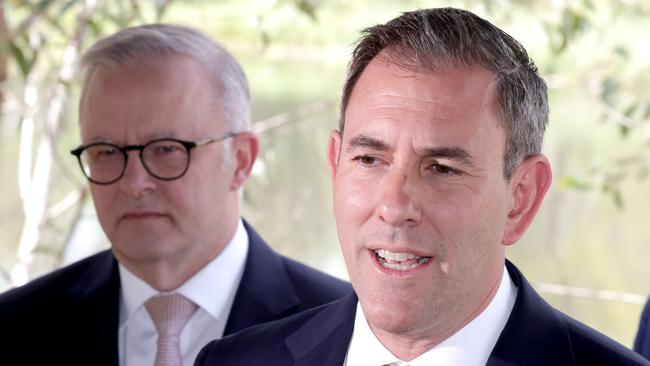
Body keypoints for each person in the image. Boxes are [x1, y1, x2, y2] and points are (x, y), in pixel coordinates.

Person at [194, 7, 650, 366]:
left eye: (442, 168)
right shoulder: (232, 361)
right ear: (335, 166)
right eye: (370, 159)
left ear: (521, 198)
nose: (393, 207)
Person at [0, 24, 351, 366]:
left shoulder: (349, 329)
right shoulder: (14, 326)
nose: (134, 183)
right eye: (106, 152)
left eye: (167, 149)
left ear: (241, 160)